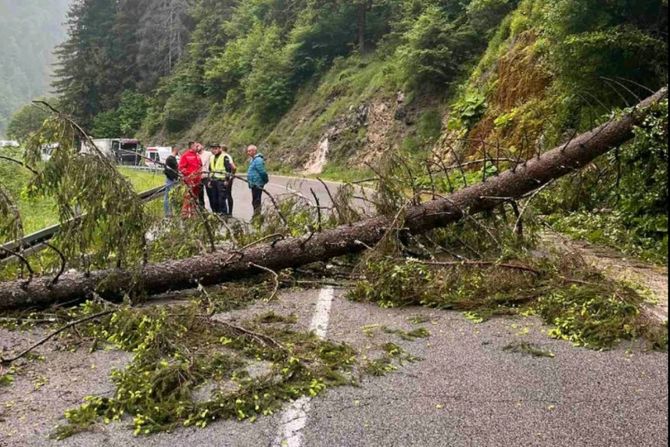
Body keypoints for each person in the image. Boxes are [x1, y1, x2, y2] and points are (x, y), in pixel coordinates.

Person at [178, 142, 202, 218]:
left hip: (197, 180)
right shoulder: (185, 155)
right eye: (196, 146)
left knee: (195, 197)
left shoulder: (197, 155)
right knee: (188, 196)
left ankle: (193, 214)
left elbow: (200, 166)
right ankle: (184, 214)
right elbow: (181, 168)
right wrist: (189, 175)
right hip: (190, 180)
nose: (197, 147)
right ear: (191, 146)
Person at [246, 145, 268, 217]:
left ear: (254, 151)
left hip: (257, 183)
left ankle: (257, 216)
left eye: (249, 151)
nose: (248, 152)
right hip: (253, 183)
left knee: (256, 200)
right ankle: (256, 214)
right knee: (255, 200)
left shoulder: (258, 160)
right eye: (248, 151)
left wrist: (265, 180)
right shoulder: (253, 159)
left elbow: (262, 172)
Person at [219, 144, 237, 216]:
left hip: (226, 178)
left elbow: (234, 167)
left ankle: (228, 212)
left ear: (221, 149)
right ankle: (229, 212)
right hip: (227, 177)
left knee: (227, 195)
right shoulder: (228, 156)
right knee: (228, 194)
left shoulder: (225, 156)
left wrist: (230, 176)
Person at [163, 146, 180, 218]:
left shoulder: (173, 158)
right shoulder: (170, 159)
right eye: (177, 150)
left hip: (172, 180)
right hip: (170, 180)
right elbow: (166, 171)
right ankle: (168, 213)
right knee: (168, 197)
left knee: (171, 196)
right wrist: (173, 178)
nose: (178, 151)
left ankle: (171, 212)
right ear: (175, 150)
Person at [208, 144, 225, 215]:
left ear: (219, 149)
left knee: (221, 198)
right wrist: (209, 180)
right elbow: (210, 170)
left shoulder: (224, 156)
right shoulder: (212, 157)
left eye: (215, 149)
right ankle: (217, 213)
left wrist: (227, 180)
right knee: (214, 198)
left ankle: (223, 213)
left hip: (221, 180)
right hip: (213, 180)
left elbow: (228, 169)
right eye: (212, 149)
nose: (214, 150)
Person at [198, 143, 214, 210]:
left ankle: (214, 209)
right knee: (200, 195)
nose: (197, 147)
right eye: (196, 146)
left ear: (202, 146)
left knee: (210, 194)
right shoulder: (196, 155)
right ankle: (202, 211)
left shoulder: (209, 154)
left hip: (207, 176)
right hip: (198, 177)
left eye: (198, 145)